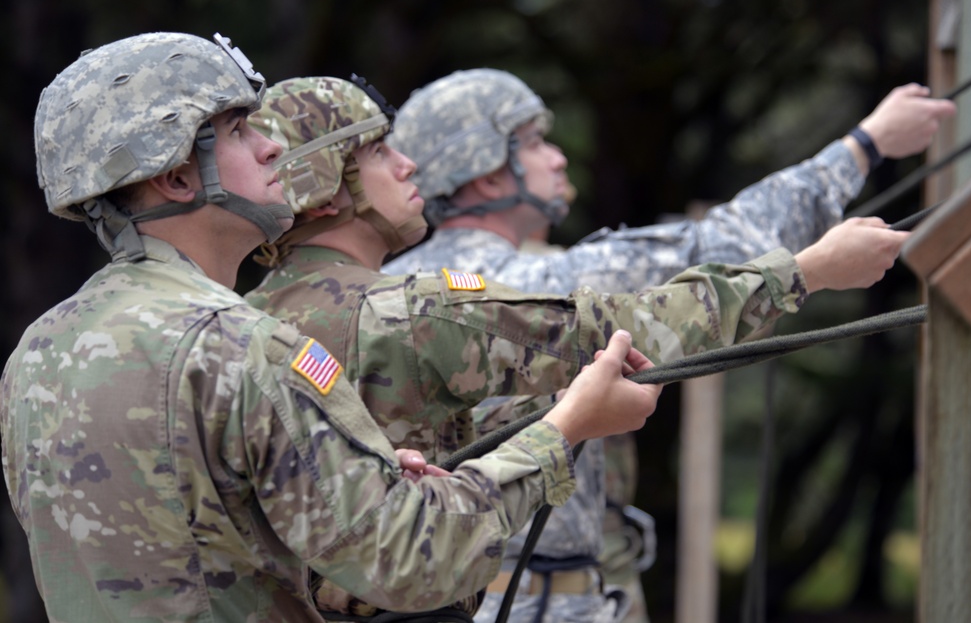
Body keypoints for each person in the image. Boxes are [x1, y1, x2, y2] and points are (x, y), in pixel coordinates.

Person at [0, 32, 671, 623]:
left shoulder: (39, 350)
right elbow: (412, 560)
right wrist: (566, 428)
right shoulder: (239, 347)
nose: (271, 148)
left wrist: (350, 471)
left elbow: (177, 549)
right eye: (238, 132)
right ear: (177, 176)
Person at [244, 75, 909, 621]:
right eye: (378, 152)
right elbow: (673, 294)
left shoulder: (247, 318)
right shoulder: (435, 305)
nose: (405, 162)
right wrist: (834, 212)